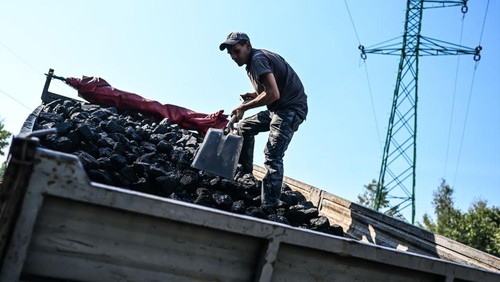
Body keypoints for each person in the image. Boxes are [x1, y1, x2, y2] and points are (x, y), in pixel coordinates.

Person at [219, 32, 308, 207]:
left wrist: (243, 107)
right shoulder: (253, 62)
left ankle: (270, 207)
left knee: (272, 155)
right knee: (243, 127)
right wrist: (252, 96)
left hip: (290, 109)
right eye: (230, 54)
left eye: (236, 51)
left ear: (247, 45)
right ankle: (246, 176)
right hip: (278, 108)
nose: (233, 56)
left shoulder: (258, 59)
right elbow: (269, 89)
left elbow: (273, 94)